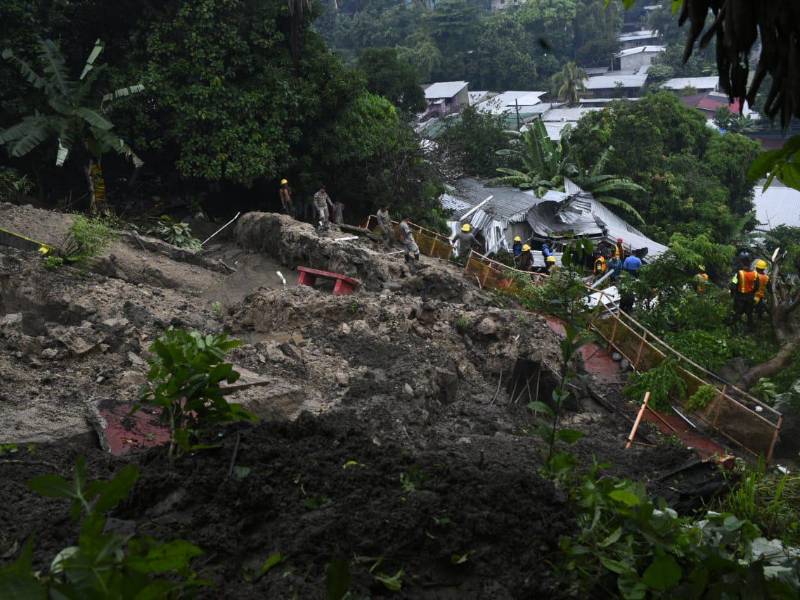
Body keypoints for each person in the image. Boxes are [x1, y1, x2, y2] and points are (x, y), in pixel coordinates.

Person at [730, 262, 760, 328]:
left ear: (743, 265)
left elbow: (733, 284)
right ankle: (750, 328)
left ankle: (733, 326)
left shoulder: (739, 273)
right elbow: (757, 286)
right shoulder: (755, 274)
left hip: (740, 297)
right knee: (749, 313)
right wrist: (752, 293)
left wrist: (732, 293)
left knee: (737, 312)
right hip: (750, 297)